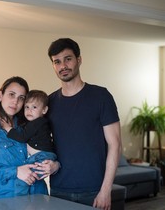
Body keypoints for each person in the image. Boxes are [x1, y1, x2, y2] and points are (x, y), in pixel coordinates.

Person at [40, 38, 122, 210]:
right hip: (58, 189)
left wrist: (106, 190)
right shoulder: (49, 102)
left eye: (68, 59)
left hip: (94, 191)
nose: (63, 66)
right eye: (57, 62)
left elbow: (115, 145)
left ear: (79, 60)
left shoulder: (101, 97)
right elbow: (41, 141)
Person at [0, 76, 48, 200]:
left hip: (39, 196)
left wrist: (55, 165)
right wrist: (16, 171)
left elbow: (46, 148)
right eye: (11, 95)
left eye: (21, 98)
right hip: (8, 201)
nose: (15, 101)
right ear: (1, 96)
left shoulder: (29, 125)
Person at [1, 89, 57, 196]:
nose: (29, 110)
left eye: (34, 107)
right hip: (43, 156)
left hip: (41, 157)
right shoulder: (36, 123)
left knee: (22, 181)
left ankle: (21, 202)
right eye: (27, 107)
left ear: (44, 110)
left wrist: (8, 128)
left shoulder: (37, 122)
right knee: (29, 178)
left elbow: (22, 137)